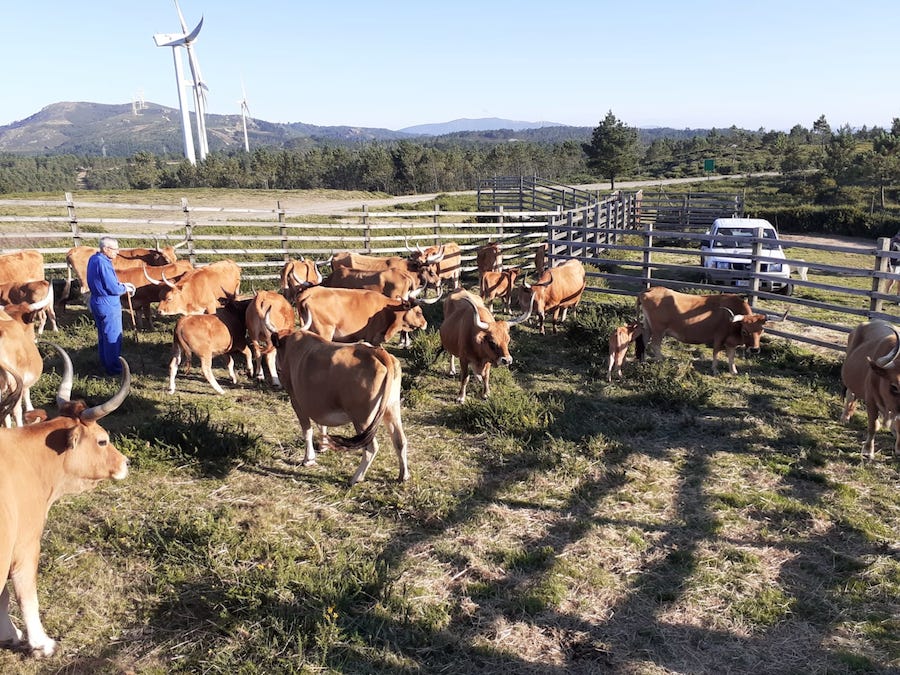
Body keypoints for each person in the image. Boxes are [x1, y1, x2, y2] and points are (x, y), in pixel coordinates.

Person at [86, 237, 135, 375]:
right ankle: (114, 369)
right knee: (113, 336)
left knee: (103, 334)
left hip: (96, 300)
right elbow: (112, 287)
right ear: (106, 249)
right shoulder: (104, 263)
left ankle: (104, 363)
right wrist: (124, 288)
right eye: (114, 249)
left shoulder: (93, 259)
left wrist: (120, 285)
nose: (117, 252)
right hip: (108, 303)